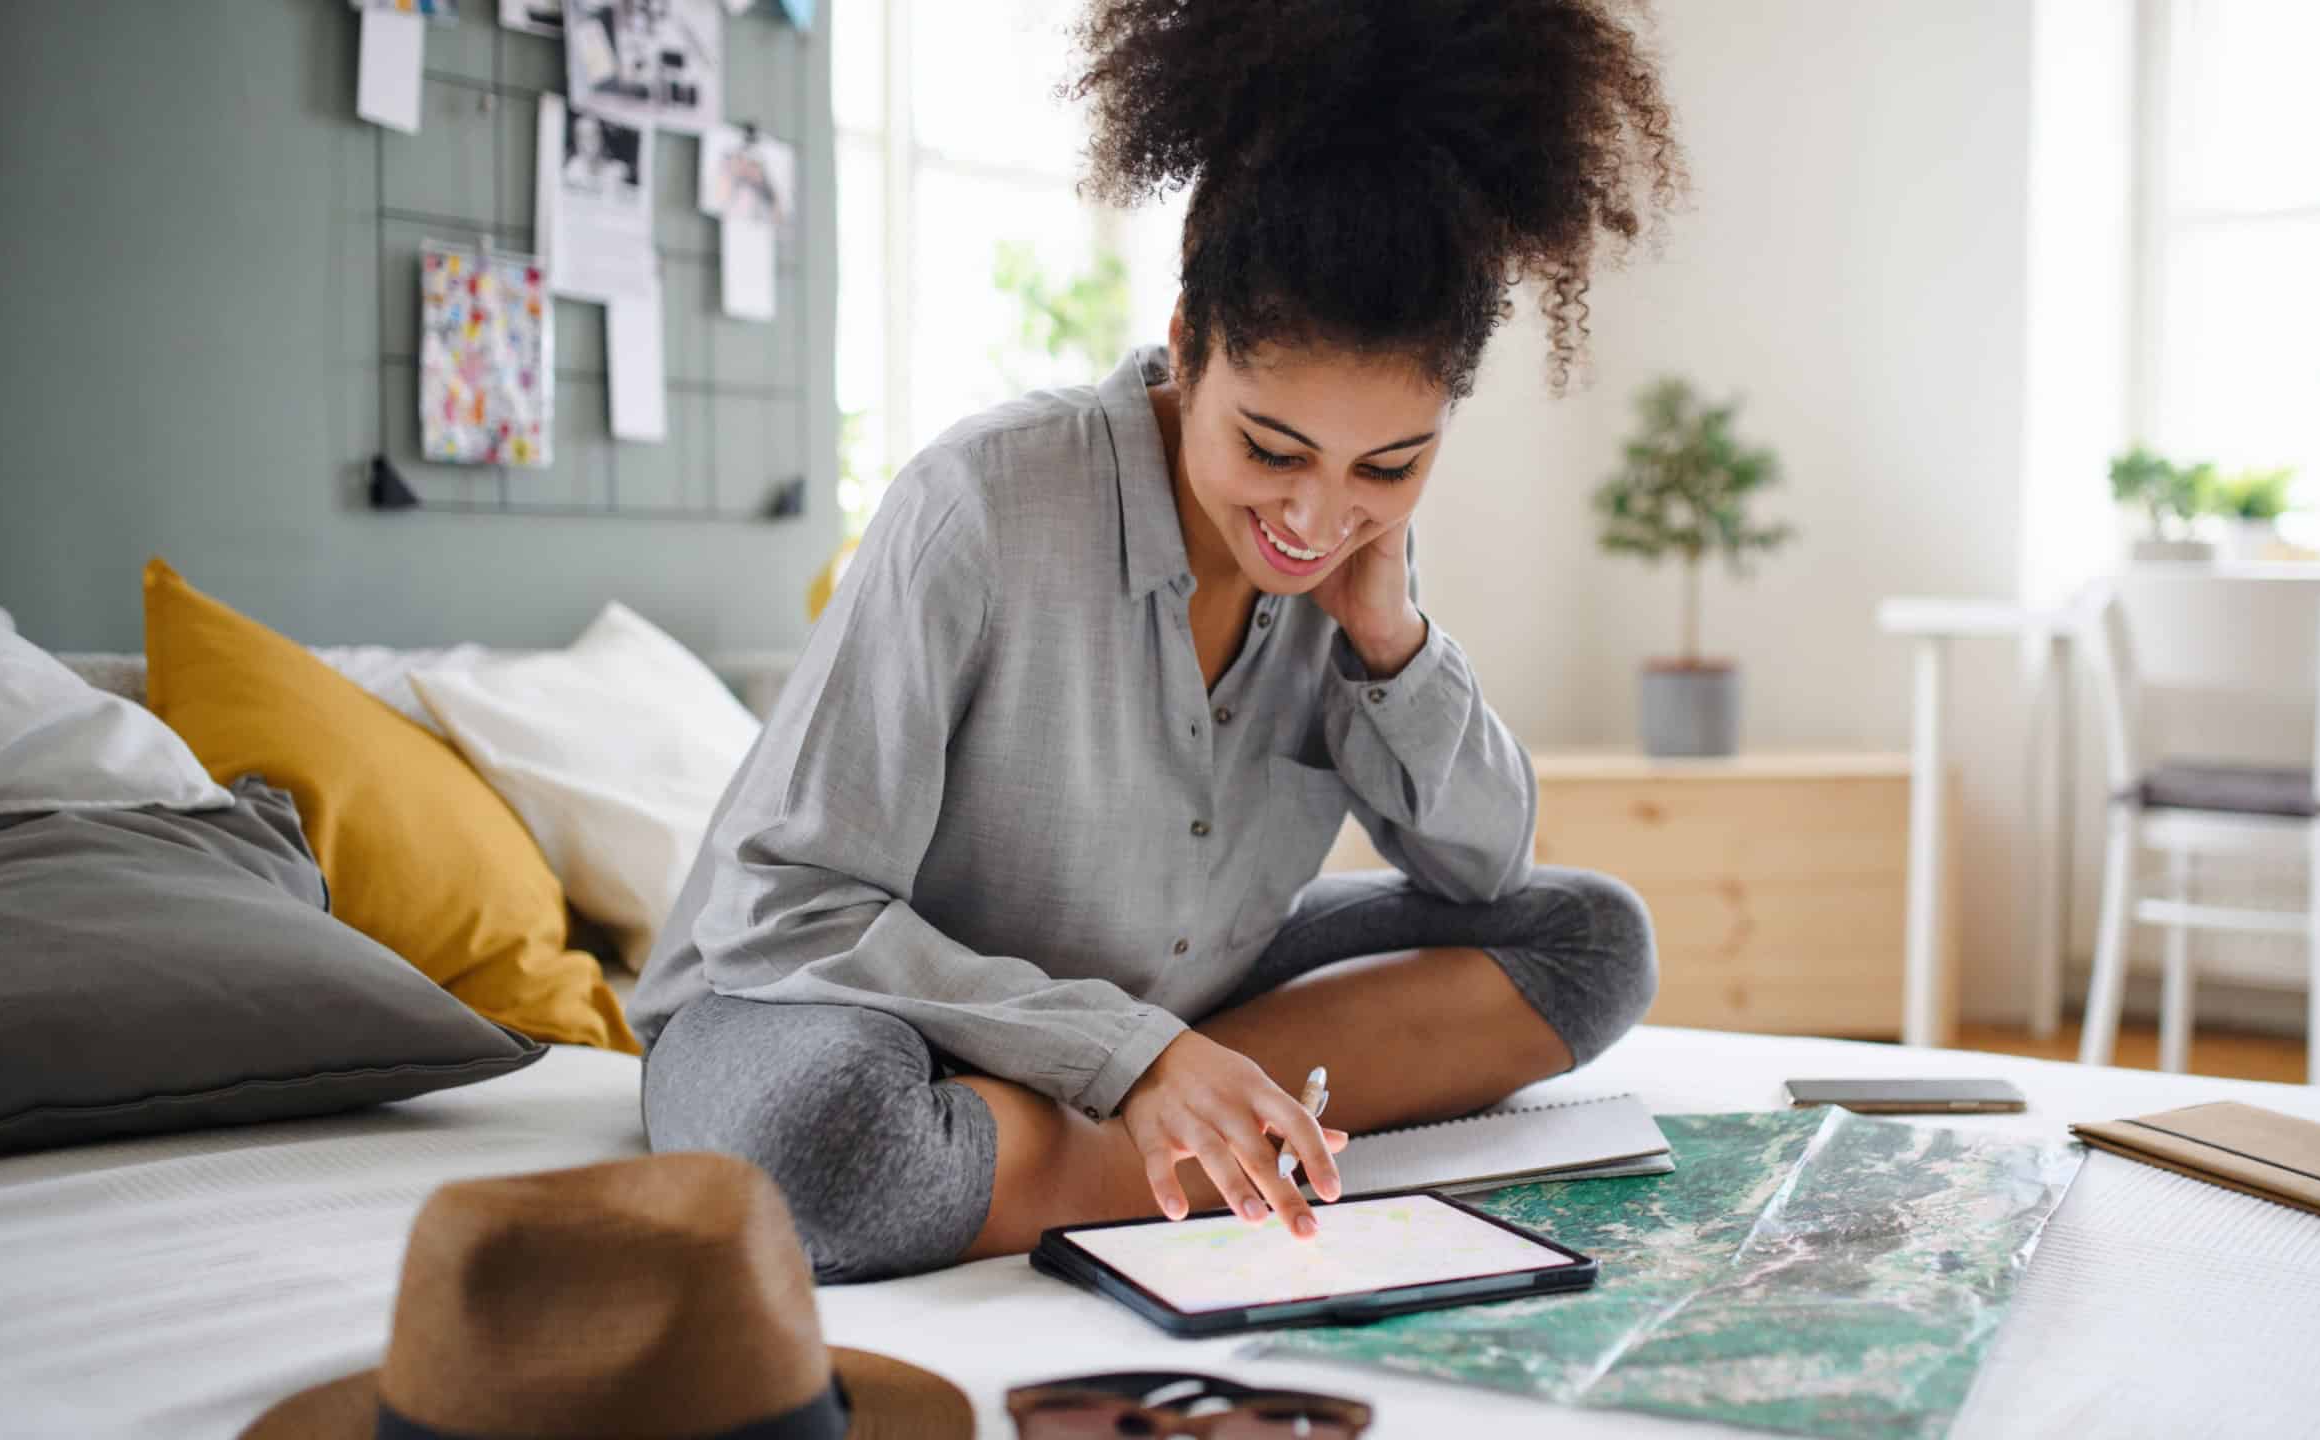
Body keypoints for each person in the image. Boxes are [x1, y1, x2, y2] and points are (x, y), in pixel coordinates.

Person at [634, 0, 1689, 1283]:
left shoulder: (1349, 546)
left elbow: (1482, 870)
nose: (1313, 517)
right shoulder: (982, 502)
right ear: (1190, 340)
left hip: (1172, 987)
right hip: (850, 1007)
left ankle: (1100, 1134)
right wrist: (1128, 1058)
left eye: (1389, 464)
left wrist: (1389, 641)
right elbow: (784, 909)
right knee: (830, 1146)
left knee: (1591, 938)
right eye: (1270, 448)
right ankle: (1170, 1147)